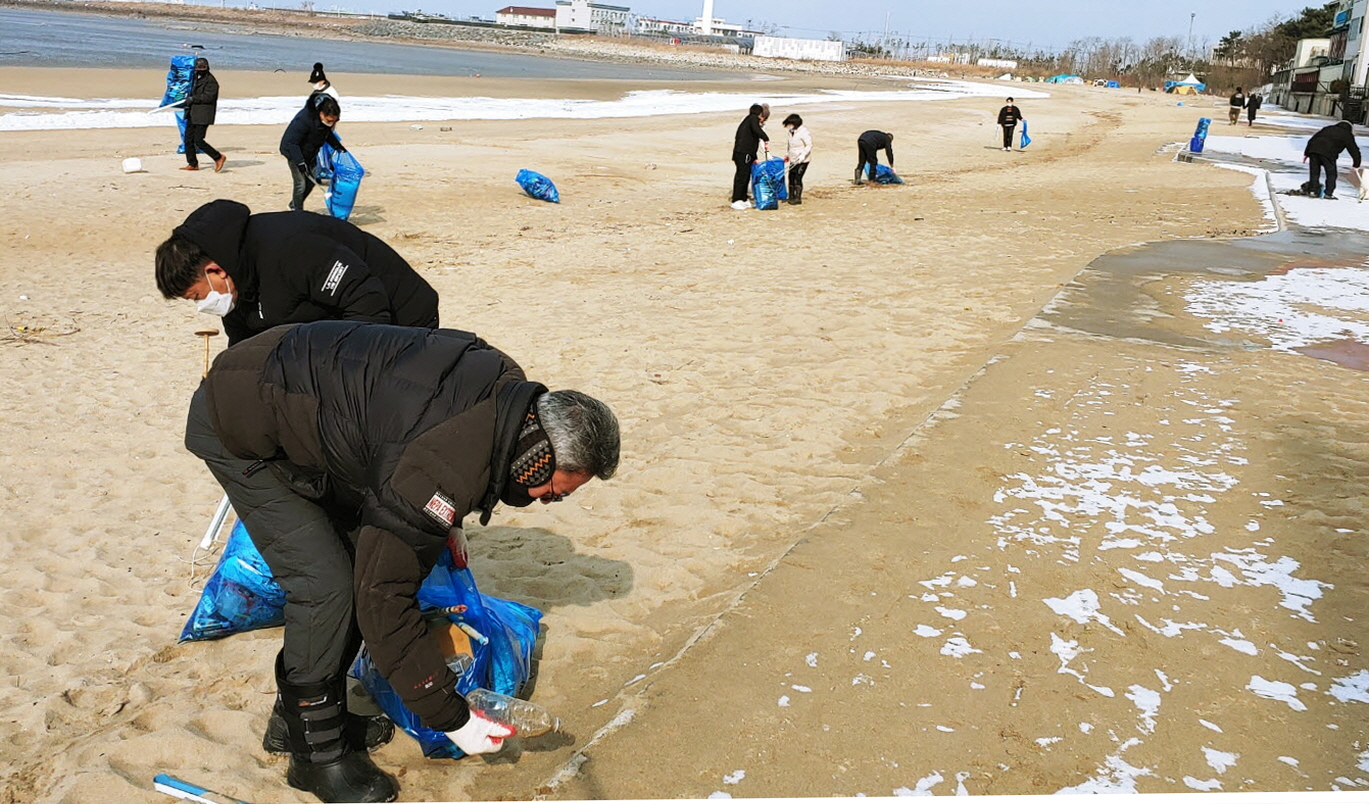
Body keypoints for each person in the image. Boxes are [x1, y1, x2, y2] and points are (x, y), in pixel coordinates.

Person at [183, 320, 620, 802]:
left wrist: (449, 521)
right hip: (240, 418)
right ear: (536, 457)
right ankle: (313, 755)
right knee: (327, 586)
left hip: (298, 391)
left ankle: (298, 721)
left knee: (355, 568)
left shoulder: (507, 395)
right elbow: (383, 600)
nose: (547, 501)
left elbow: (421, 442)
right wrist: (452, 717)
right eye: (554, 492)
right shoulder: (444, 465)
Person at [155, 198, 439, 344]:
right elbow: (244, 341)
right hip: (337, 318)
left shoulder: (291, 248)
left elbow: (367, 301)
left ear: (215, 271)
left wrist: (346, 365)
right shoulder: (235, 283)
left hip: (403, 314)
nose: (201, 306)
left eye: (197, 296)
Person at [280, 93, 344, 212]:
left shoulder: (324, 122)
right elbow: (291, 143)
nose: (331, 124)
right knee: (300, 184)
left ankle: (293, 204)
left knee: (312, 181)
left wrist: (338, 147)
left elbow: (327, 134)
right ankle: (297, 211)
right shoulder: (303, 120)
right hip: (294, 152)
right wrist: (300, 162)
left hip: (311, 152)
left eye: (334, 121)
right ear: (321, 114)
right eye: (329, 121)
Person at [182, 57, 226, 173]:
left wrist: (193, 99)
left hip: (203, 114)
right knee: (188, 140)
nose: (200, 69)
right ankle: (192, 163)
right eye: (198, 67)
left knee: (198, 140)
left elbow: (209, 97)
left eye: (203, 67)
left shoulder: (211, 81)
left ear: (207, 67)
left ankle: (218, 157)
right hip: (192, 113)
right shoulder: (194, 78)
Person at [1302, 119, 1362, 199]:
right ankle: (1328, 193)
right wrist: (1356, 164)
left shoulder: (1327, 128)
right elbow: (1354, 149)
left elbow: (1312, 139)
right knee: (1331, 174)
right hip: (1328, 153)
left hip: (1314, 151)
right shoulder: (1347, 134)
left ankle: (1313, 191)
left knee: (1314, 172)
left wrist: (1306, 153)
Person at [731, 103, 769, 210]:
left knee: (746, 176)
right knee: (741, 177)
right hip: (743, 153)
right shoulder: (752, 119)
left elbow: (752, 140)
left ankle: (743, 198)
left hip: (747, 153)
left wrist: (754, 157)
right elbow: (757, 130)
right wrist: (766, 138)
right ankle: (736, 200)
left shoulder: (748, 121)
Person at [782, 113, 812, 205]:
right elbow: (790, 145)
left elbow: (809, 145)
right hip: (793, 159)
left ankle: (797, 198)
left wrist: (803, 155)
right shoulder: (790, 132)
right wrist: (787, 155)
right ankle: (791, 196)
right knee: (791, 177)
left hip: (802, 160)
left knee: (797, 178)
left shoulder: (804, 132)